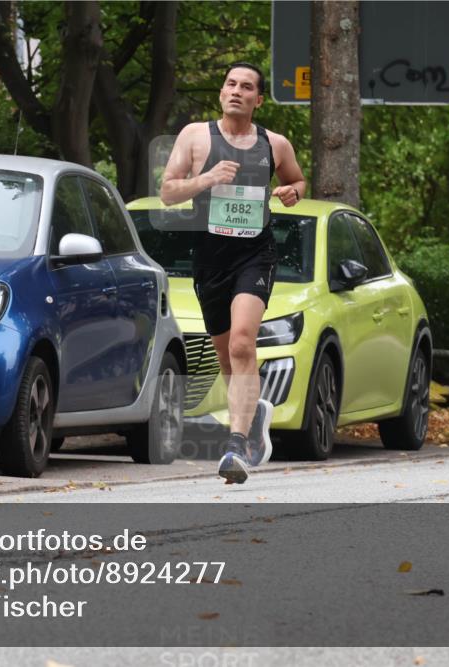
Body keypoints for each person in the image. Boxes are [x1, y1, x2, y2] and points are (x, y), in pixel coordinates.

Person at [160, 62, 306, 483]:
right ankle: (253, 410)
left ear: (259, 100)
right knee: (227, 355)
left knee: (243, 344)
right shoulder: (194, 136)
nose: (236, 91)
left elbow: (299, 181)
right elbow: (168, 192)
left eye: (246, 87)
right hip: (210, 257)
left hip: (254, 256)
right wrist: (205, 179)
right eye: (230, 84)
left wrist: (291, 191)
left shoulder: (274, 144)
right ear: (221, 93)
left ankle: (236, 444)